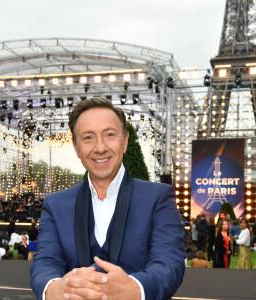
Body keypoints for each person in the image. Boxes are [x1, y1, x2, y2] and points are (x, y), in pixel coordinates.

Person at [30, 97, 185, 300]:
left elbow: (170, 262)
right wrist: (53, 289)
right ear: (76, 148)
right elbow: (44, 263)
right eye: (88, 138)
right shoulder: (55, 204)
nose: (100, 147)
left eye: (109, 135)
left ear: (125, 141)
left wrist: (135, 289)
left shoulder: (159, 197)